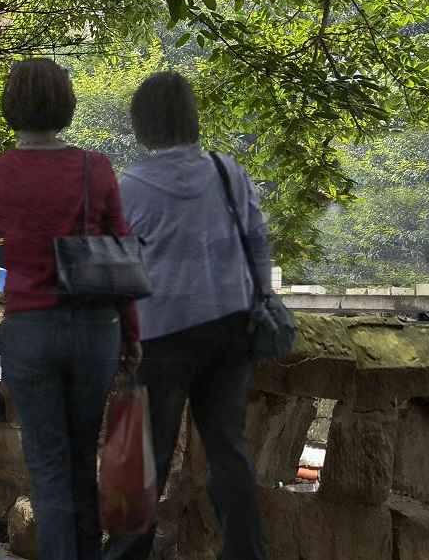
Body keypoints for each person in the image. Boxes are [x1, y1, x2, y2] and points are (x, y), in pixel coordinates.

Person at [0, 58, 141, 560]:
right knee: (82, 461)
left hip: (30, 331)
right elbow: (121, 253)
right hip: (94, 331)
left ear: (11, 106)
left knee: (49, 472)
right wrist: (132, 334)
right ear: (65, 105)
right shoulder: (95, 168)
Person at [102, 71, 270, 560]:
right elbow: (258, 247)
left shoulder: (132, 187)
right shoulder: (229, 172)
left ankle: (127, 555)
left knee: (146, 459)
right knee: (229, 452)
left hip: (163, 335)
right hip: (230, 330)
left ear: (143, 124)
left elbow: (116, 273)